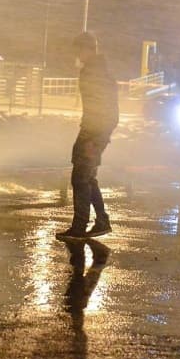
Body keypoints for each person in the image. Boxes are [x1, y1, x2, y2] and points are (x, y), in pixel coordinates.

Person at [56, 31, 120, 240]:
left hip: (92, 132)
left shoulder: (94, 72)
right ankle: (101, 221)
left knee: (80, 178)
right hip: (94, 131)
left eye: (79, 51)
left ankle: (79, 227)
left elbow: (100, 108)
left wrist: (94, 138)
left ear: (88, 49)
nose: (77, 56)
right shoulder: (100, 70)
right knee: (88, 177)